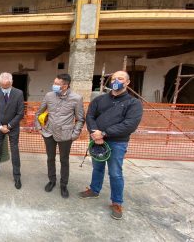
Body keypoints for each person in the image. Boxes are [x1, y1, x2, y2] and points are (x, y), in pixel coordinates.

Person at [78, 70, 143, 220]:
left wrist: (104, 133)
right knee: (97, 167)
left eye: (120, 78)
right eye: (114, 78)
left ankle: (117, 202)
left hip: (117, 142)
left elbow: (130, 125)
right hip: (96, 139)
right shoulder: (99, 100)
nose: (116, 81)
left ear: (127, 82)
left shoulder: (133, 103)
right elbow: (90, 116)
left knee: (115, 172)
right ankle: (94, 190)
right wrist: (95, 133)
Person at [35, 74, 84, 198]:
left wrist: (75, 134)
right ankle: (52, 181)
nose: (54, 85)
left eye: (57, 84)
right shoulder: (49, 95)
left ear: (65, 85)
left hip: (66, 135)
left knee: (64, 160)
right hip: (49, 132)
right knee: (50, 158)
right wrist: (39, 128)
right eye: (54, 82)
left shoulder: (76, 98)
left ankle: (63, 185)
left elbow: (80, 119)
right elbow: (38, 113)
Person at [0, 72, 25, 189]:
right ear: (0, 83)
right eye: (2, 86)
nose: (4, 88)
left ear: (11, 83)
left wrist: (10, 125)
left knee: (15, 152)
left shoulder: (18, 93)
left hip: (13, 127)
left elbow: (20, 113)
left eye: (6, 86)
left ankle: (17, 176)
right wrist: (0, 126)